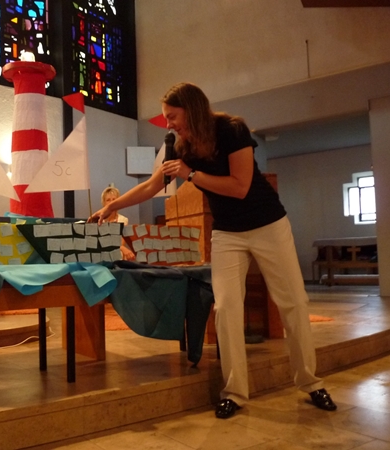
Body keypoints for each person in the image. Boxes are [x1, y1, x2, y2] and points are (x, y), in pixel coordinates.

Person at [89, 82, 337, 419]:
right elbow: (151, 186)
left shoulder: (232, 130)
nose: (168, 124)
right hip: (228, 232)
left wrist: (191, 174)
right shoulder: (182, 147)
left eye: (172, 116)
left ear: (191, 110)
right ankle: (234, 392)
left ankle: (310, 382)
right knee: (226, 308)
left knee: (293, 302)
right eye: (166, 118)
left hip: (267, 224)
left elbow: (240, 186)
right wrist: (111, 206)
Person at [101, 185, 135, 261]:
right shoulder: (99, 221)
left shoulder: (123, 220)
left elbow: (121, 244)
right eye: (108, 200)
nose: (111, 202)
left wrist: (121, 247)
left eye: (114, 199)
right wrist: (122, 248)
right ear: (104, 203)